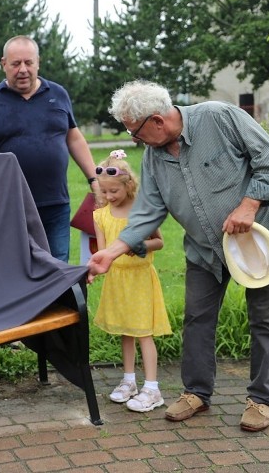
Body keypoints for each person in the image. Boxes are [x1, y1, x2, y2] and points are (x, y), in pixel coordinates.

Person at [87, 79, 269, 432]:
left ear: (157, 120)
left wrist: (249, 204)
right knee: (197, 319)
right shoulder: (154, 158)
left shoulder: (220, 117)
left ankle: (261, 400)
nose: (133, 139)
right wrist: (112, 251)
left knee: (265, 321)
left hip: (260, 241)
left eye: (134, 131)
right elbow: (148, 212)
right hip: (204, 250)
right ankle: (196, 393)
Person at [0, 35, 97, 262]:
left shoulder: (58, 94)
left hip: (56, 204)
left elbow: (73, 137)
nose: (23, 70)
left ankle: (58, 300)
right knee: (17, 267)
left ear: (38, 62)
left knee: (58, 267)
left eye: (28, 63)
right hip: (11, 206)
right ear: (4, 64)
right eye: (16, 64)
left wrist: (94, 178)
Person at [91, 149, 171, 412]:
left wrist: (141, 246)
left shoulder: (141, 211)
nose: (109, 196)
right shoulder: (100, 216)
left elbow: (159, 241)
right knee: (126, 332)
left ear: (128, 185)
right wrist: (92, 271)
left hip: (139, 280)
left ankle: (152, 388)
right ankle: (129, 381)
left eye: (114, 191)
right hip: (118, 282)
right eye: (104, 192)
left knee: (144, 333)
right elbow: (102, 253)